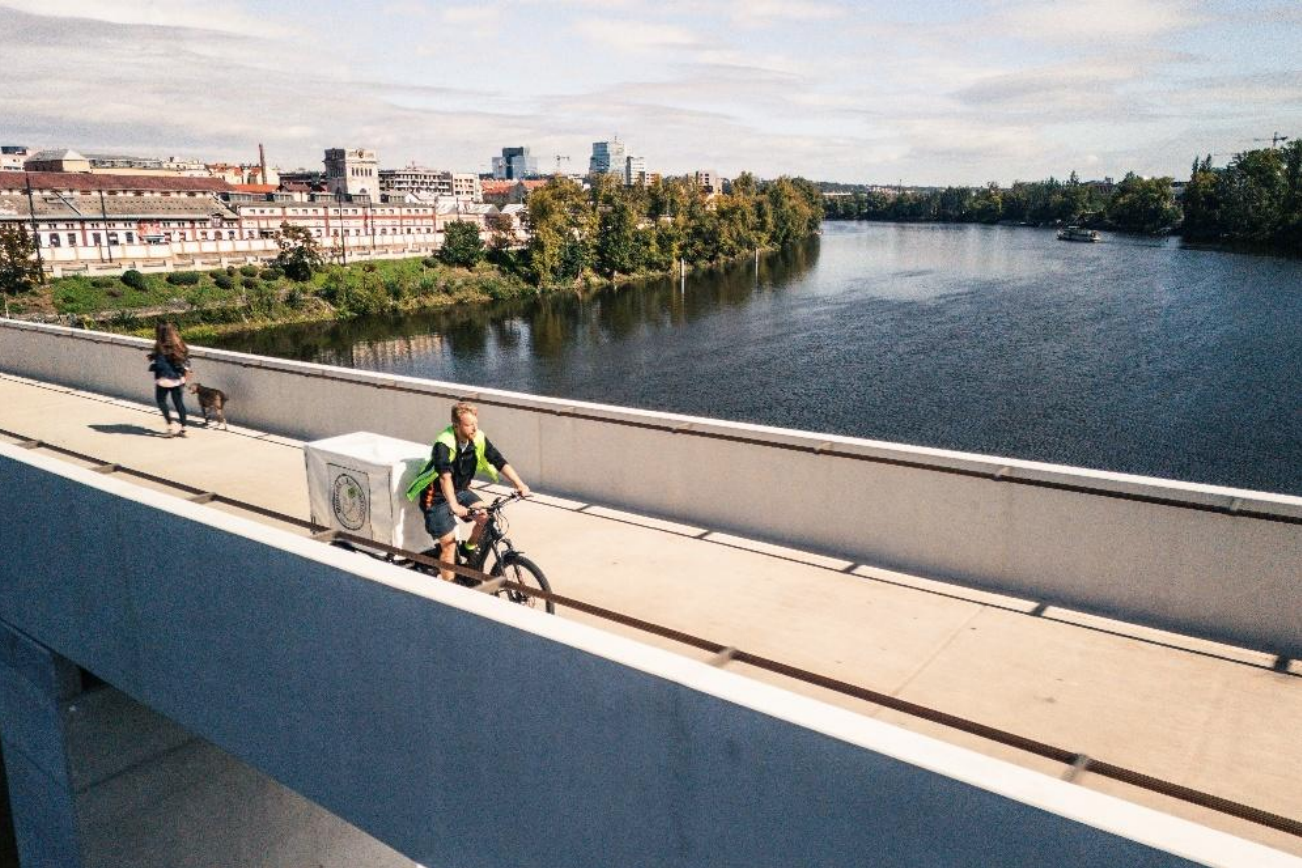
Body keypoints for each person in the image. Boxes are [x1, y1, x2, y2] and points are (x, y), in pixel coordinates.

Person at [405, 402, 531, 582]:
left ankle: (469, 548)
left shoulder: (478, 438)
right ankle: (451, 591)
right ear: (456, 426)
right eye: (469, 425)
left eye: (476, 423)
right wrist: (454, 506)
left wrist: (519, 484)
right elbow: (444, 478)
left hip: (460, 491)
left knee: (486, 516)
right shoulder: (444, 444)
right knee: (448, 546)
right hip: (437, 498)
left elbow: (498, 460)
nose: (474, 428)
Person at [147, 322, 191, 437]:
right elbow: (185, 361)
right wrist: (184, 377)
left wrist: (153, 360)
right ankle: (184, 429)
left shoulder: (159, 346)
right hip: (177, 380)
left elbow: (161, 363)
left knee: (161, 401)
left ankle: (170, 427)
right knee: (179, 404)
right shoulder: (179, 344)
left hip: (163, 380)